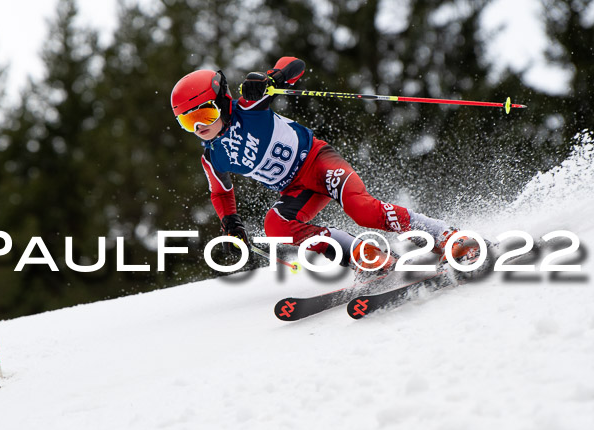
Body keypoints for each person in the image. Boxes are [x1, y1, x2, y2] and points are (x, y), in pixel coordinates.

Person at [170, 56, 478, 275]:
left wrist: (271, 79)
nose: (199, 127)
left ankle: (444, 235)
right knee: (275, 226)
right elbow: (221, 194)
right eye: (187, 121)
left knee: (363, 210)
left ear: (222, 101)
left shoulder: (250, 107)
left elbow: (294, 65)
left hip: (319, 162)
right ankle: (363, 254)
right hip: (296, 189)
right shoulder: (213, 156)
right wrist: (231, 224)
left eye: (205, 115)